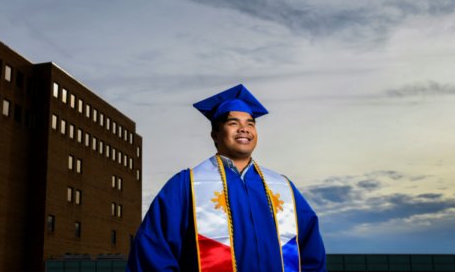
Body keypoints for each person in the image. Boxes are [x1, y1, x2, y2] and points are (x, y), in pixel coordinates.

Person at [127, 84, 326, 272]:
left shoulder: (282, 187)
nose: (244, 129)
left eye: (250, 124)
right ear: (215, 134)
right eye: (233, 123)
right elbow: (153, 255)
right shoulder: (186, 186)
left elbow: (310, 253)